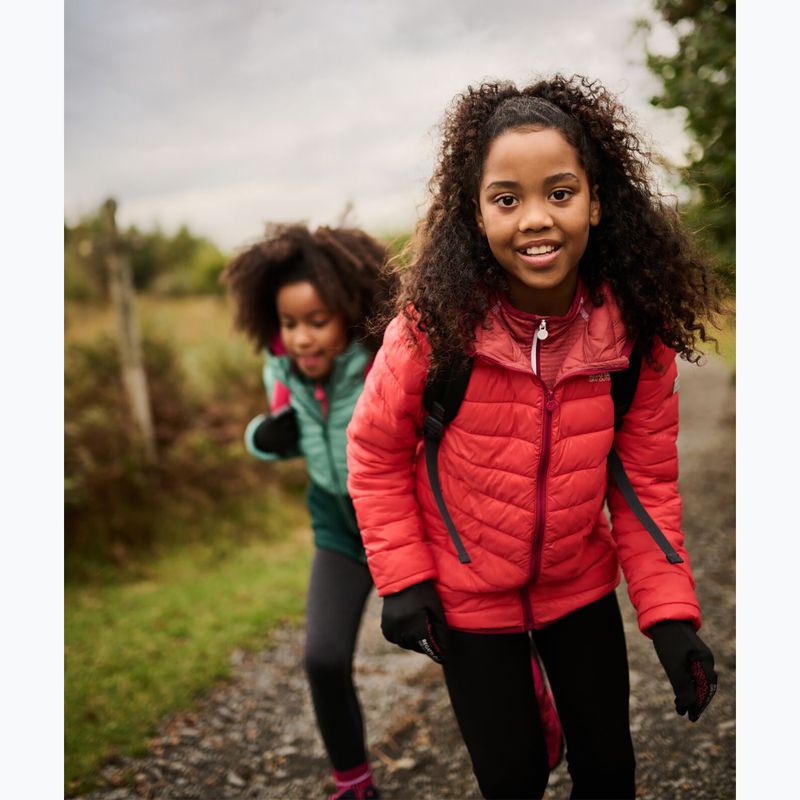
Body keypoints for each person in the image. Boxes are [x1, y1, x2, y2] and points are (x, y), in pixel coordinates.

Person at [345, 75, 724, 800]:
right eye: (506, 198)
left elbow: (645, 484)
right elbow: (374, 453)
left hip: (578, 587)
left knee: (611, 775)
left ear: (597, 200)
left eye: (559, 192)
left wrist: (670, 615)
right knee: (512, 780)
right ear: (476, 213)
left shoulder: (636, 336)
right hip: (469, 601)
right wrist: (404, 581)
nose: (535, 219)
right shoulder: (434, 330)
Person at [223, 223, 395, 800]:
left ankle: (532, 704)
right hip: (336, 523)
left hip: (402, 519)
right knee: (322, 658)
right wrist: (264, 435)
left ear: (349, 311)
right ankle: (353, 785)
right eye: (290, 324)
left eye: (316, 321)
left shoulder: (378, 363)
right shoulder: (282, 370)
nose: (302, 338)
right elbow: (286, 431)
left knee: (467, 643)